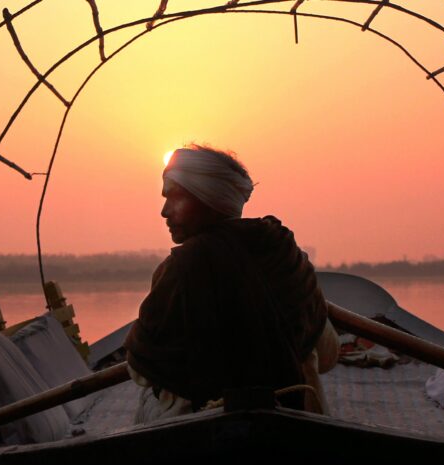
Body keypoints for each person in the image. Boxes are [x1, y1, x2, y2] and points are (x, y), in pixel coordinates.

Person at [124, 144, 338, 422]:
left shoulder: (180, 269)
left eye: (176, 198)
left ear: (208, 199)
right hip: (295, 421)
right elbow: (329, 355)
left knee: (148, 393)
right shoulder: (285, 252)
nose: (164, 211)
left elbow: (138, 370)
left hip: (196, 430)